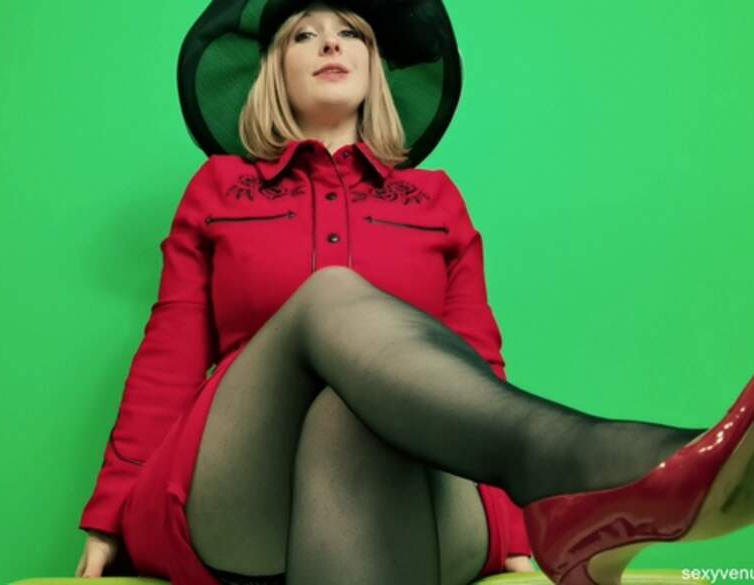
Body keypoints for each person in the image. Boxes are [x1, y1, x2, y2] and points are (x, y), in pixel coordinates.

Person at [74, 2, 754, 584]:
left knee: (352, 411)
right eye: (305, 35)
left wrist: (510, 530)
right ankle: (584, 464)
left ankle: (559, 484)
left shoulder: (436, 200)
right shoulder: (219, 189)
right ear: (274, 70)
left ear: (376, 68)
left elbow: (475, 366)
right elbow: (168, 356)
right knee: (331, 293)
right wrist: (107, 516)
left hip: (419, 497)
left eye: (352, 34)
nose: (332, 44)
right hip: (241, 501)